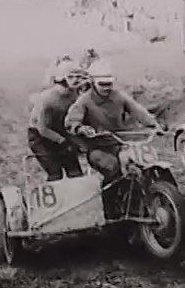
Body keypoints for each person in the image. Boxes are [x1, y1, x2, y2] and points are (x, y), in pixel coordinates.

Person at [65, 60, 162, 214]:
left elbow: (138, 111)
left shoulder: (119, 96)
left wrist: (154, 124)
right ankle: (109, 209)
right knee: (113, 169)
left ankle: (141, 200)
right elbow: (71, 122)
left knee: (141, 166)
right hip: (97, 148)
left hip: (121, 143)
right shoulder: (84, 101)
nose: (107, 88)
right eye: (102, 84)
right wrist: (81, 128)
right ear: (92, 82)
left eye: (109, 84)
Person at [28, 60, 89, 181]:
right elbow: (43, 129)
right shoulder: (47, 99)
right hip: (40, 136)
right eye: (71, 77)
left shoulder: (76, 94)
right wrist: (63, 141)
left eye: (78, 77)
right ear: (61, 78)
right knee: (55, 173)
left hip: (62, 131)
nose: (76, 80)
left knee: (75, 173)